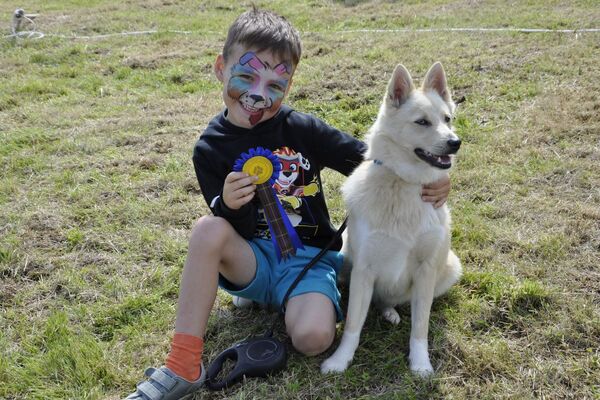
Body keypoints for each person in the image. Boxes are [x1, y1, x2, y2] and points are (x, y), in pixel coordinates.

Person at [125, 8, 451, 400]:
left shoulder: (302, 128)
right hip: (255, 257)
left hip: (309, 259)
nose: (260, 93)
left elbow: (377, 156)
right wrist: (229, 205)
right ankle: (182, 362)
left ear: (290, 83)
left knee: (313, 339)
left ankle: (295, 301)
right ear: (219, 68)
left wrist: (432, 169)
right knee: (208, 229)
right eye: (246, 75)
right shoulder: (208, 149)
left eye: (275, 82)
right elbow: (229, 224)